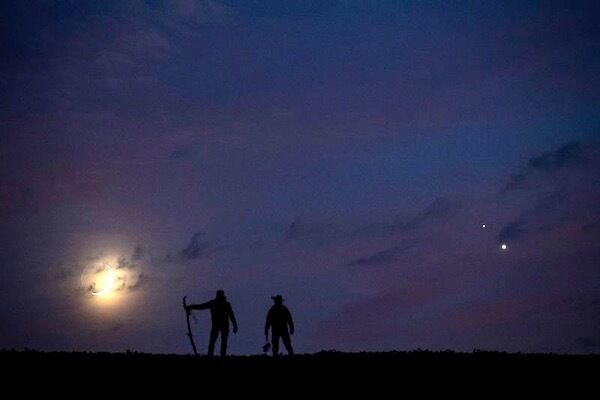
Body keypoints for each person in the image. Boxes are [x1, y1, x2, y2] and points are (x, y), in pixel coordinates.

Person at [185, 290, 238, 356]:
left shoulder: (223, 304)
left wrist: (235, 325)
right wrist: (191, 306)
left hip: (223, 326)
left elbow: (231, 315)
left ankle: (218, 355)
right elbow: (201, 306)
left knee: (220, 342)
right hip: (219, 325)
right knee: (214, 341)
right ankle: (212, 355)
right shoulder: (216, 303)